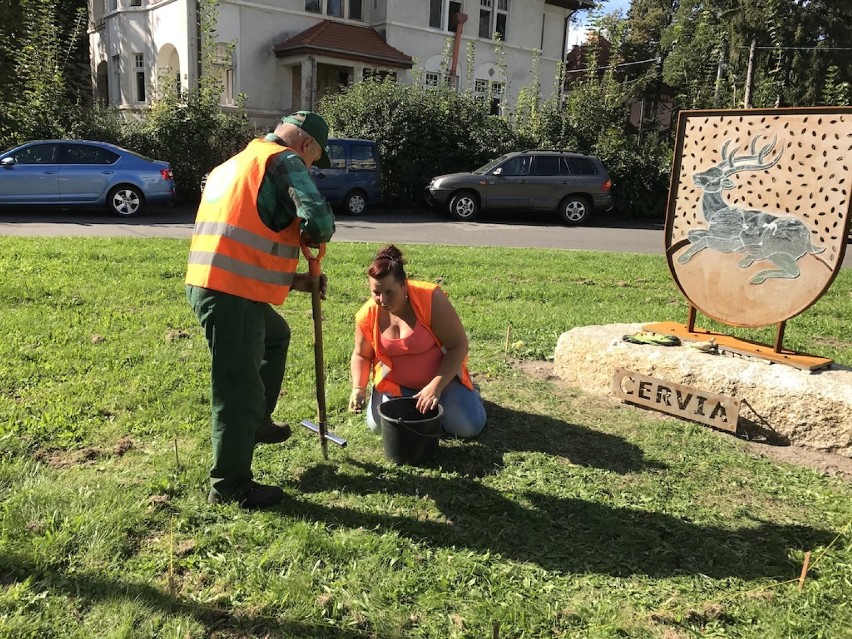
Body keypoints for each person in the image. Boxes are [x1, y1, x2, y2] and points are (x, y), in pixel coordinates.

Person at [186, 110, 335, 509]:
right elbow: (319, 220)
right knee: (238, 392)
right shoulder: (283, 159)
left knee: (276, 335)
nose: (310, 167)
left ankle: (257, 424)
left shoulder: (236, 163)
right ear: (305, 146)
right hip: (231, 295)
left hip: (213, 284)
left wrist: (299, 281)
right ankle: (230, 486)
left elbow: (242, 244)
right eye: (314, 160)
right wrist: (313, 231)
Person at [348, 245, 486, 438]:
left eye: (389, 292)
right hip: (396, 386)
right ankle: (421, 409)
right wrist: (358, 388)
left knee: (466, 428)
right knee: (377, 426)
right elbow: (361, 354)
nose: (383, 300)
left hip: (442, 382)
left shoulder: (430, 298)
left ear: (404, 285)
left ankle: (470, 395)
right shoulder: (367, 314)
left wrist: (435, 387)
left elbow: (459, 345)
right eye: (376, 292)